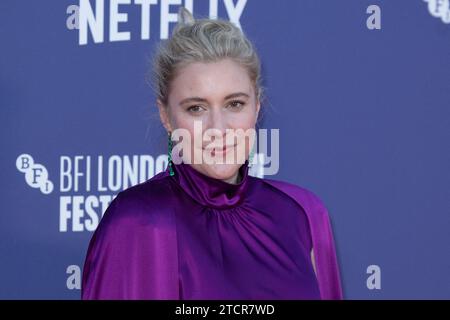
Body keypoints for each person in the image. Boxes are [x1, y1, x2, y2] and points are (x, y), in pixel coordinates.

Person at [81, 7, 343, 300]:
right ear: (166, 116)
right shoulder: (138, 221)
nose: (218, 128)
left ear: (257, 106)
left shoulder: (304, 212)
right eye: (196, 108)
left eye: (234, 104)